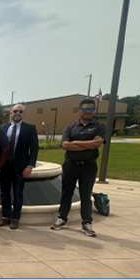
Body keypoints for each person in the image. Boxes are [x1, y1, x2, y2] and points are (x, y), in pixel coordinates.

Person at [54, 98, 107, 237]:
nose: (88, 111)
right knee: (66, 193)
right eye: (85, 109)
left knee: (86, 194)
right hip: (70, 165)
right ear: (79, 111)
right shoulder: (71, 127)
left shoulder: (99, 127)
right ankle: (62, 218)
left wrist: (75, 143)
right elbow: (65, 145)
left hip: (88, 166)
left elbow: (97, 144)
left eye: (91, 109)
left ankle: (86, 223)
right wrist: (89, 143)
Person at [0, 104, 39, 229]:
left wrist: (30, 166)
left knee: (18, 194)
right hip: (5, 167)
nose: (18, 113)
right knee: (4, 193)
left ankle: (15, 219)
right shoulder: (3, 128)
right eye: (15, 111)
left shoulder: (30, 128)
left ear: (23, 114)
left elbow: (34, 149)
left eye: (20, 111)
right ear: (11, 113)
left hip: (20, 167)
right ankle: (5, 217)